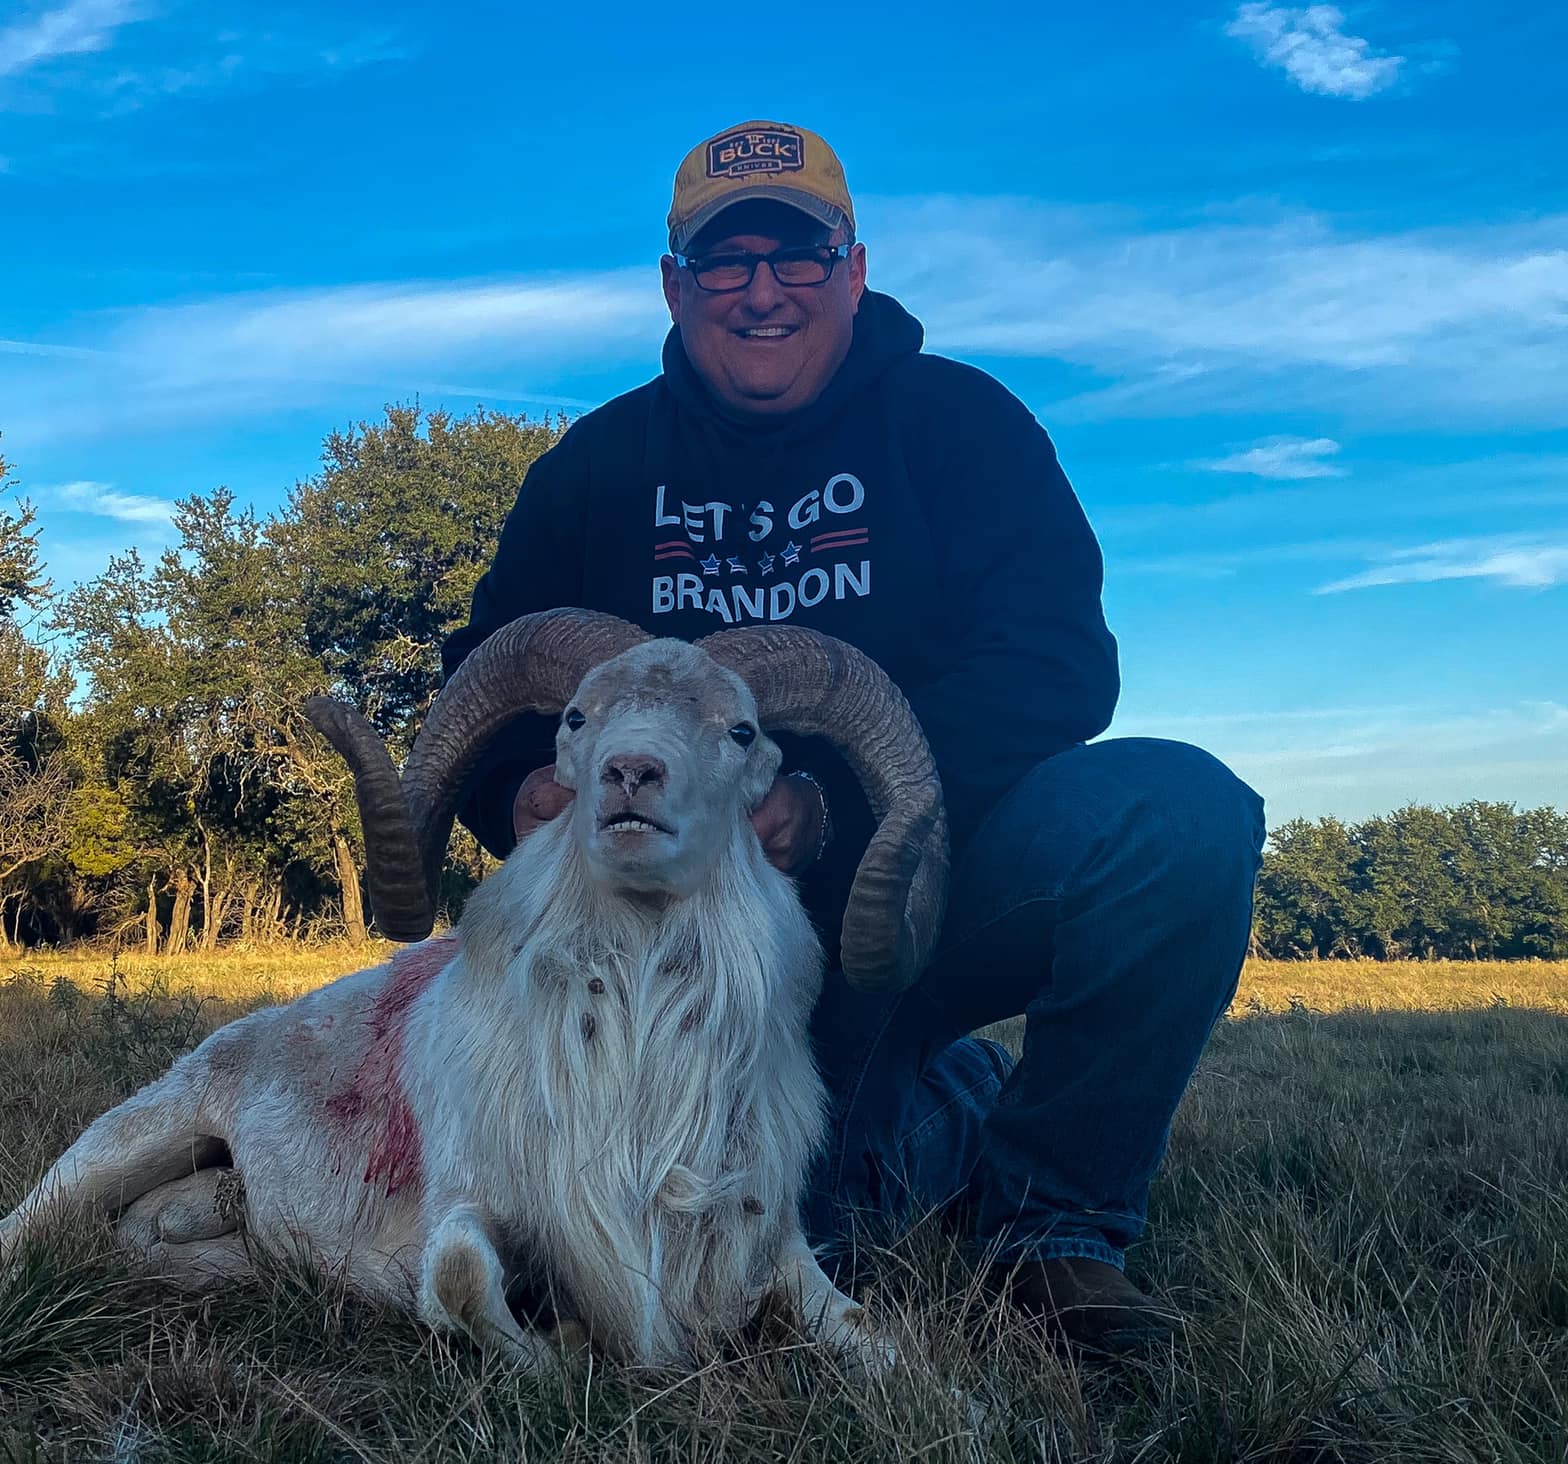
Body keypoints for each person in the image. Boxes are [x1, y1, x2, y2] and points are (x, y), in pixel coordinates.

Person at [441, 121, 1265, 1355]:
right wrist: (514, 791)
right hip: (680, 954)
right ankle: (932, 1111)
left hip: (921, 886)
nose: (761, 290)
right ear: (674, 282)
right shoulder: (593, 469)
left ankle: (1056, 1233)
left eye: (798, 252)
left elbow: (1054, 663)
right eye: (723, 260)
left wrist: (831, 796)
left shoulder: (961, 427)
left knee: (1175, 815)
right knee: (785, 1237)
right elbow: (489, 674)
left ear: (854, 266)